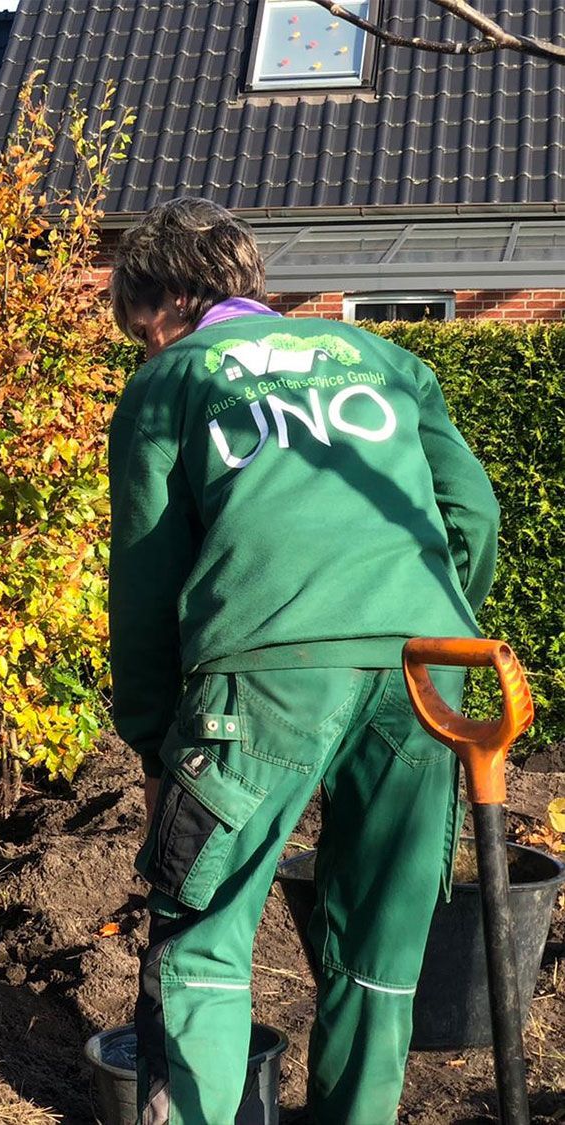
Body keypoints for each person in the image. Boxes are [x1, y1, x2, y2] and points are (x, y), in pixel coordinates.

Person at [107, 197, 500, 1125]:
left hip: (263, 674)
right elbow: (471, 514)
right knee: (380, 950)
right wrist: (428, 622)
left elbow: (147, 578)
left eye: (139, 327)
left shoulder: (172, 383)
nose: (141, 346)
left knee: (199, 941)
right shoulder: (391, 362)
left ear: (166, 298)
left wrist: (154, 745)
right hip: (423, 669)